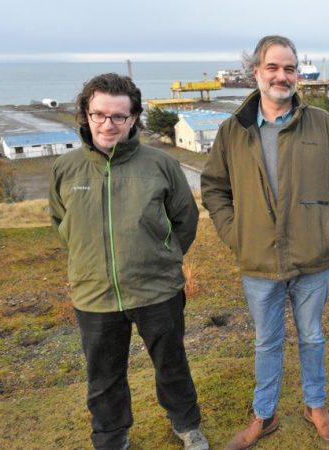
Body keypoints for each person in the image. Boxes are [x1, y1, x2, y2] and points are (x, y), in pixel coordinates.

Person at [200, 35, 329, 448]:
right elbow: (214, 188)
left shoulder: (321, 124)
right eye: (273, 67)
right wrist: (234, 233)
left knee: (312, 337)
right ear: (256, 72)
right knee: (266, 341)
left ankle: (315, 404)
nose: (282, 76)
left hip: (313, 257)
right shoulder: (233, 130)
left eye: (290, 68)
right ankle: (264, 415)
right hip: (257, 261)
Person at [48, 73, 207, 450]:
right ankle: (110, 437)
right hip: (94, 295)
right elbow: (60, 221)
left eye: (119, 116)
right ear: (85, 115)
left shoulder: (160, 164)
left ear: (134, 117)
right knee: (103, 377)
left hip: (158, 291)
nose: (108, 124)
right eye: (99, 114)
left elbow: (186, 219)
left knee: (172, 367)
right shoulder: (66, 168)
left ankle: (187, 426)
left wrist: (163, 258)